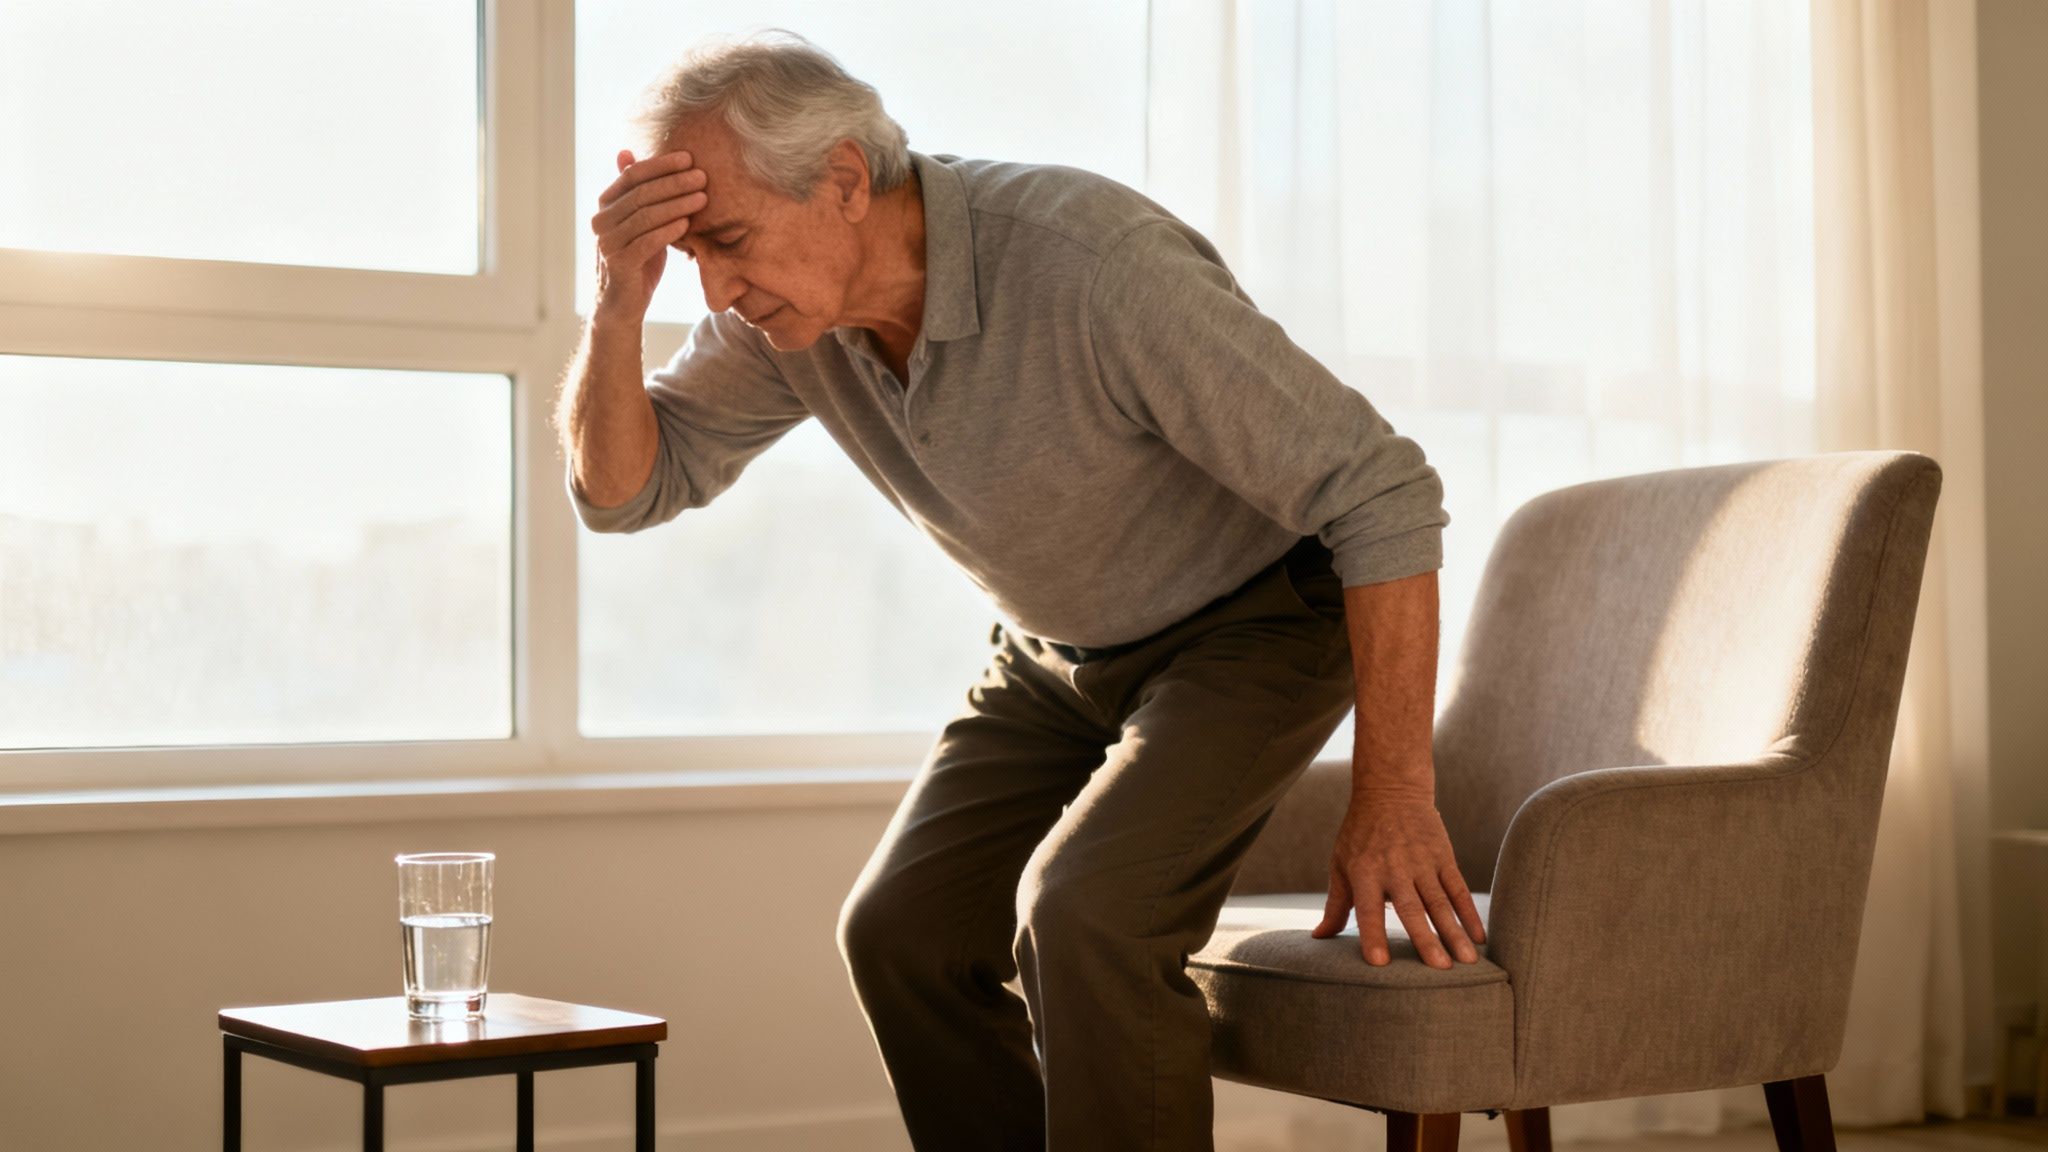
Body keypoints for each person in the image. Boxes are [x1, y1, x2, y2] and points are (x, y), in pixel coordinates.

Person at [554, 31, 1487, 1152]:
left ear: (844, 180)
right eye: (688, 254)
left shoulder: (1089, 264)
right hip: (1055, 652)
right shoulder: (783, 325)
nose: (715, 286)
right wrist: (615, 303)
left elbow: (1381, 490)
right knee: (902, 932)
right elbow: (622, 492)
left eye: (729, 240)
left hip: (1254, 621)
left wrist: (1392, 793)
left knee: (1089, 914)